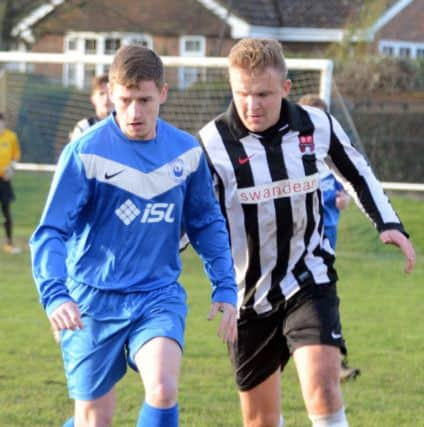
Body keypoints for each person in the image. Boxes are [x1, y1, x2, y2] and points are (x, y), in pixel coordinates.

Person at [197, 38, 415, 427]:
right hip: (248, 296)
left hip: (308, 279)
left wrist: (389, 224)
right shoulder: (212, 145)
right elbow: (193, 218)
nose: (252, 105)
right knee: (261, 420)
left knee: (324, 388)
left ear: (285, 88)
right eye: (242, 93)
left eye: (263, 93)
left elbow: (357, 172)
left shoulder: (315, 125)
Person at [30, 44, 237, 427]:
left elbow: (206, 222)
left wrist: (225, 285)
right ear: (110, 93)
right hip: (91, 299)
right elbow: (50, 232)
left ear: (163, 92)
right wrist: (56, 294)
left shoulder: (186, 153)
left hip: (156, 295)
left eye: (144, 99)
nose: (134, 112)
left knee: (162, 388)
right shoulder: (85, 153)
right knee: (95, 420)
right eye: (125, 100)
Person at [298, 94, 360, 382]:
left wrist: (342, 198)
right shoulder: (291, 161)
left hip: (325, 250)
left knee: (325, 303)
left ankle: (335, 364)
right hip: (294, 249)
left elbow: (346, 192)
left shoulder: (332, 160)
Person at [0, 112, 21, 254]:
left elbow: (16, 155)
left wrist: (11, 168)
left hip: (4, 180)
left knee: (6, 212)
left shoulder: (11, 137)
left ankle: (9, 243)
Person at [69, 74, 113, 140]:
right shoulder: (84, 127)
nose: (106, 98)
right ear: (93, 98)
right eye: (101, 93)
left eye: (110, 93)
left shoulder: (126, 127)